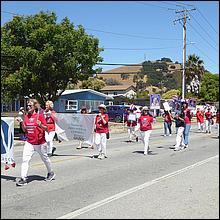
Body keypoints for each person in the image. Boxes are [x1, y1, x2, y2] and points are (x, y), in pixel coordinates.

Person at [16, 99, 55, 186]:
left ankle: (51, 172)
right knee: (25, 159)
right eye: (28, 106)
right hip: (29, 142)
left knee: (45, 158)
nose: (28, 107)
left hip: (40, 142)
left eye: (30, 106)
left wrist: (40, 124)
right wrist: (22, 122)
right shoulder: (26, 117)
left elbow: (47, 129)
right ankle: (23, 178)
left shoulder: (40, 116)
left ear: (35, 107)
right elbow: (25, 130)